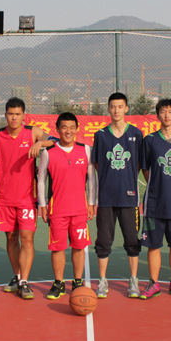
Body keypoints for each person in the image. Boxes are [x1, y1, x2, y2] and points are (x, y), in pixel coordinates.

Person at [0, 97, 53, 300]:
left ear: (24, 115)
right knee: (11, 238)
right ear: (5, 115)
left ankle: (24, 282)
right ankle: (17, 277)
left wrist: (40, 143)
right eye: (10, 114)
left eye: (18, 114)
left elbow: (54, 141)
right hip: (5, 197)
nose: (14, 117)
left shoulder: (33, 132)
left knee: (27, 238)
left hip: (27, 197)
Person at [37, 112, 97, 299]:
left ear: (77, 129)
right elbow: (41, 180)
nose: (68, 131)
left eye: (72, 127)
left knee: (79, 246)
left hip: (79, 209)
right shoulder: (48, 152)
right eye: (64, 127)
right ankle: (59, 282)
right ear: (57, 129)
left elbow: (92, 179)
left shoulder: (85, 150)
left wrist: (91, 202)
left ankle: (77, 281)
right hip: (57, 209)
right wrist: (43, 205)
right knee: (58, 248)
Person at [91, 93, 143, 298]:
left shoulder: (137, 134)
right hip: (107, 198)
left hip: (129, 197)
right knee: (104, 241)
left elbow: (138, 164)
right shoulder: (101, 135)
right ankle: (102, 280)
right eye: (113, 106)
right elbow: (97, 164)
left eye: (120, 106)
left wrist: (127, 178)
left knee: (132, 240)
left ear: (126, 109)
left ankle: (134, 280)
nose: (116, 110)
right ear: (108, 109)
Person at [139, 99, 171, 299]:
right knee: (153, 244)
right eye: (163, 111)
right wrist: (156, 185)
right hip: (154, 201)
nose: (167, 115)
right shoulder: (150, 140)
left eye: (170, 111)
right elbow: (145, 169)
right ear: (158, 115)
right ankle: (153, 283)